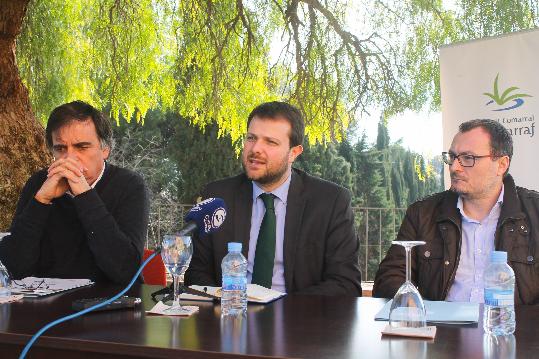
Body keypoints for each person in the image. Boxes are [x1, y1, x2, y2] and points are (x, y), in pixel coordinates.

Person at [185, 101, 362, 296]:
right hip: (233, 315)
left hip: (298, 319)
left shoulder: (330, 201)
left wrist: (280, 309)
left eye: (270, 142)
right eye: (251, 138)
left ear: (293, 153)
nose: (255, 149)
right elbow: (196, 273)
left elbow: (345, 284)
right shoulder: (218, 196)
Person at [373, 119, 539, 304]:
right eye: (452, 157)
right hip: (442, 329)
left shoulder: (535, 212)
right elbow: (389, 276)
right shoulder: (423, 213)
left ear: (501, 164)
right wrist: (407, 301)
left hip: (514, 329)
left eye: (468, 158)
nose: (454, 167)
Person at [0, 101, 149, 284]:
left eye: (81, 147)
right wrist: (41, 201)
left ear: (105, 150)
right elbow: (12, 267)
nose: (70, 158)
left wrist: (85, 196)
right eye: (60, 148)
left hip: (109, 305)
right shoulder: (39, 184)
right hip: (45, 306)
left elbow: (126, 270)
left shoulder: (129, 185)